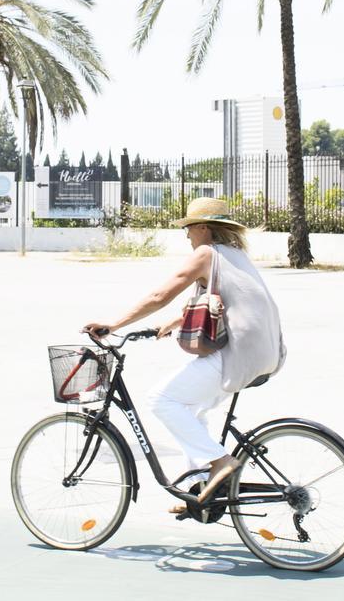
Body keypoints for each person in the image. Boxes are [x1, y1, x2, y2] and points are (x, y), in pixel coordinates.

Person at [83, 197, 285, 512]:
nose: (187, 236)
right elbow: (218, 301)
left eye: (189, 229)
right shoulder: (234, 255)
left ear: (204, 228)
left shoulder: (206, 254)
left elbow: (160, 294)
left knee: (162, 400)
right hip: (267, 353)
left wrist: (113, 324)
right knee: (192, 412)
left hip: (240, 354)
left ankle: (219, 463)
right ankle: (200, 487)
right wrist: (174, 323)